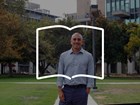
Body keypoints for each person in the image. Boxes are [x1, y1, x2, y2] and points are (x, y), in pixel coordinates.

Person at [57, 32, 94, 105]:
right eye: (74, 39)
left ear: (82, 42)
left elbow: (90, 73)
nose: (76, 41)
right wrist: (59, 90)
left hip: (81, 90)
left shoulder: (88, 56)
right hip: (66, 90)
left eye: (79, 39)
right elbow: (60, 73)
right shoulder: (63, 56)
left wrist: (88, 88)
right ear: (71, 41)